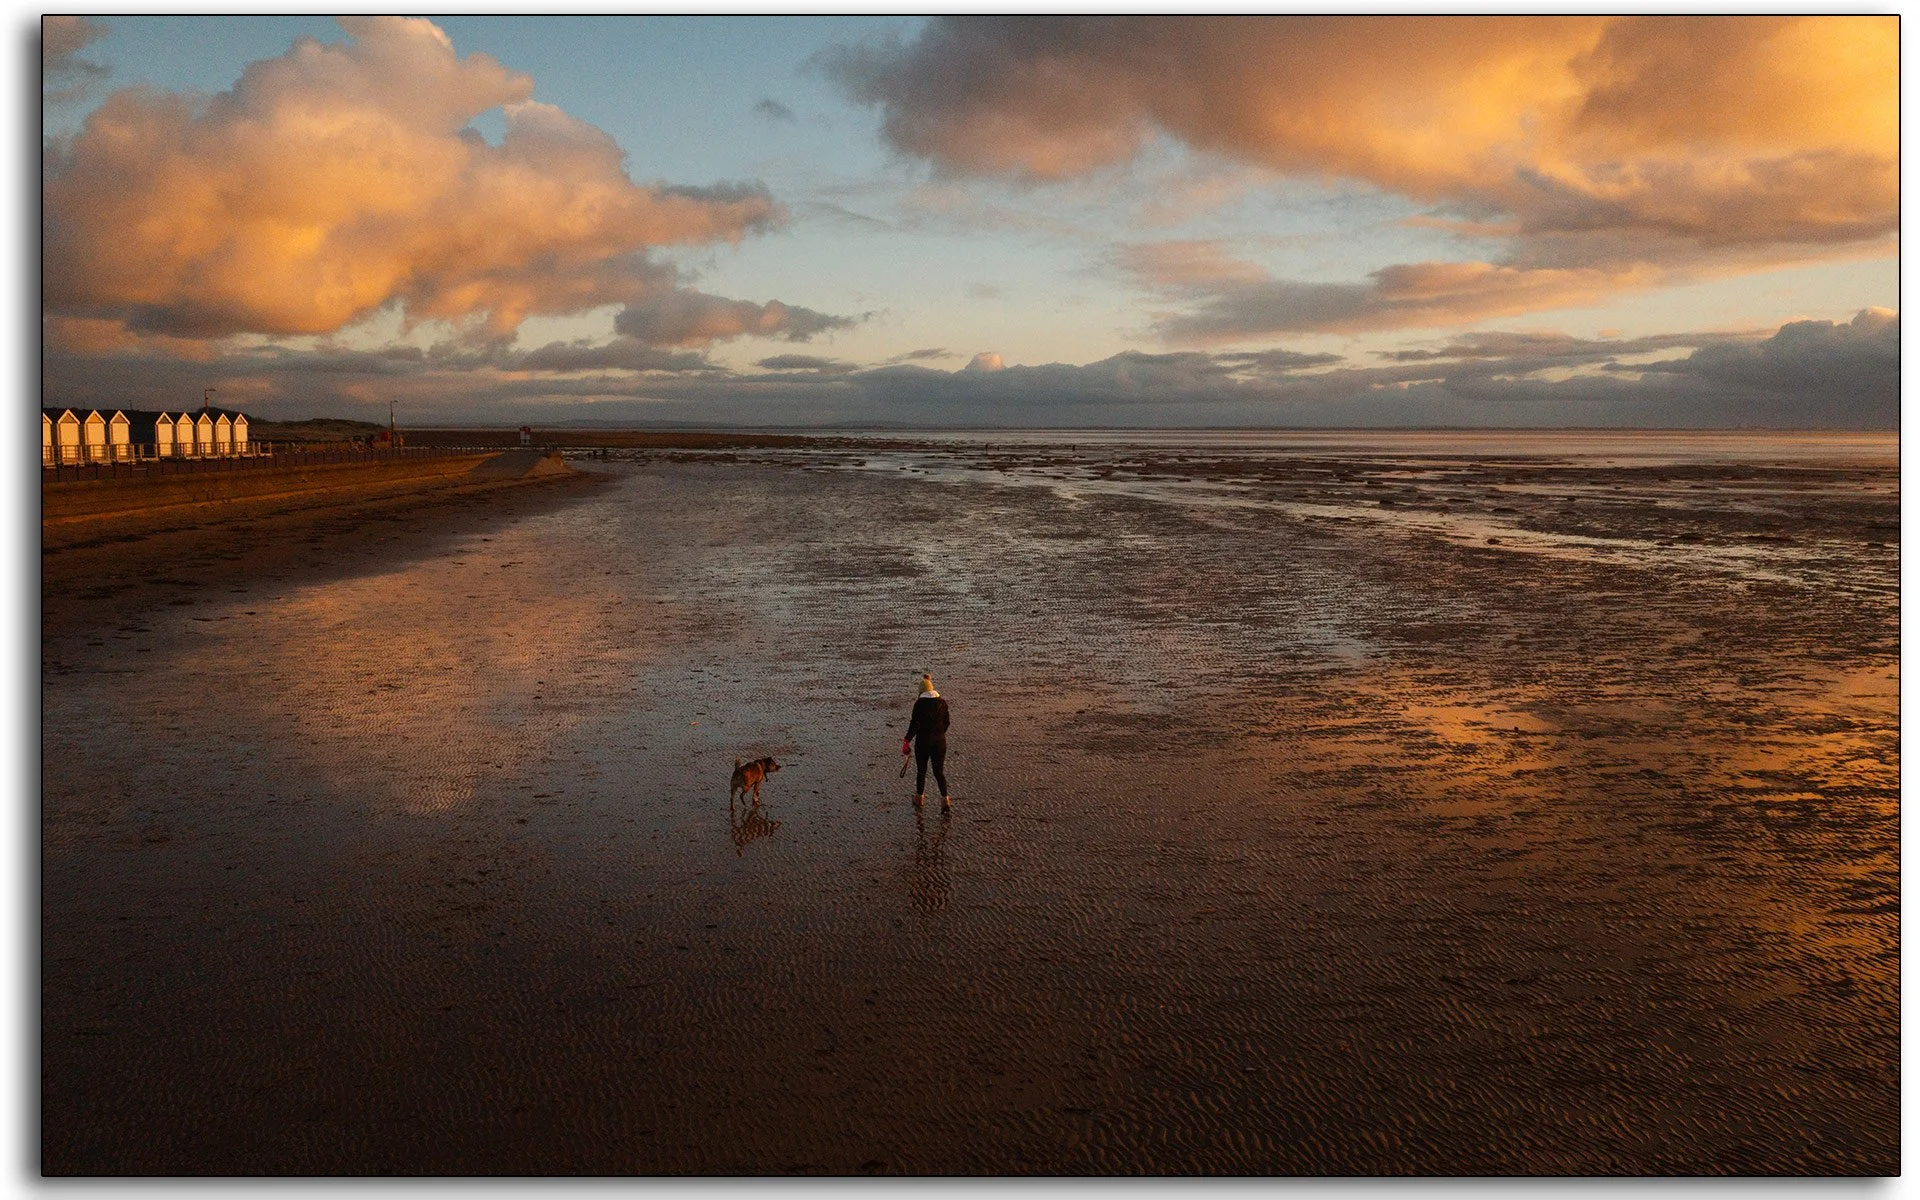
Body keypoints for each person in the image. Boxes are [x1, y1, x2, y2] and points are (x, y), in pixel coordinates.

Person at [900, 673, 952, 809]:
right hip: (940, 742)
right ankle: (945, 799)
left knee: (921, 771)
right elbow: (947, 722)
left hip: (923, 742)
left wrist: (907, 740)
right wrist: (939, 734)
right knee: (939, 772)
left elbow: (915, 724)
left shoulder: (919, 704)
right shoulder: (942, 703)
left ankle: (919, 799)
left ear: (921, 691)